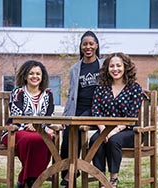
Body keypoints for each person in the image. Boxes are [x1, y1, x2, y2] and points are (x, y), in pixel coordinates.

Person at [89, 52, 143, 188]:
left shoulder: (134, 88)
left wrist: (112, 132)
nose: (115, 69)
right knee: (95, 140)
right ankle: (101, 180)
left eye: (118, 65)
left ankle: (113, 180)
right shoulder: (101, 87)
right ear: (107, 68)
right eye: (111, 66)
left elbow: (131, 116)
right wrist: (102, 130)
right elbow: (96, 111)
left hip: (128, 130)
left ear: (125, 67)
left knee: (114, 140)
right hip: (105, 128)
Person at [1, 60, 55, 188]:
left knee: (45, 139)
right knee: (34, 139)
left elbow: (49, 116)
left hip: (40, 131)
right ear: (25, 76)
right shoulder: (18, 92)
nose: (34, 76)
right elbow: (16, 115)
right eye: (31, 73)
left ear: (42, 77)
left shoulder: (48, 94)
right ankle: (31, 182)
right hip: (15, 132)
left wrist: (38, 125)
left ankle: (24, 181)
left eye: (38, 74)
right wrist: (30, 124)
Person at [60, 30, 104, 186]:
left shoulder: (103, 65)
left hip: (95, 109)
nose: (88, 47)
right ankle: (69, 172)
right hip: (77, 109)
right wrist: (65, 117)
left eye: (91, 44)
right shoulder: (75, 69)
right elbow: (72, 94)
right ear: (80, 46)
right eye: (85, 44)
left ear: (96, 45)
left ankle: (72, 172)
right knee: (66, 136)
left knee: (76, 128)